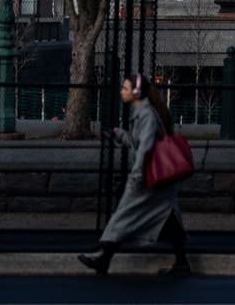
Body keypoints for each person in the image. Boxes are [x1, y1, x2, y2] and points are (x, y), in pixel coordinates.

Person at [79, 73, 191, 276]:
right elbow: (138, 142)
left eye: (125, 88)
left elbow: (145, 147)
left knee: (125, 215)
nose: (122, 91)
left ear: (136, 92)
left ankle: (104, 258)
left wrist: (137, 176)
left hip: (148, 177)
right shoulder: (144, 113)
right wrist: (119, 135)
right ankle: (182, 263)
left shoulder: (146, 114)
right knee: (163, 218)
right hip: (157, 179)